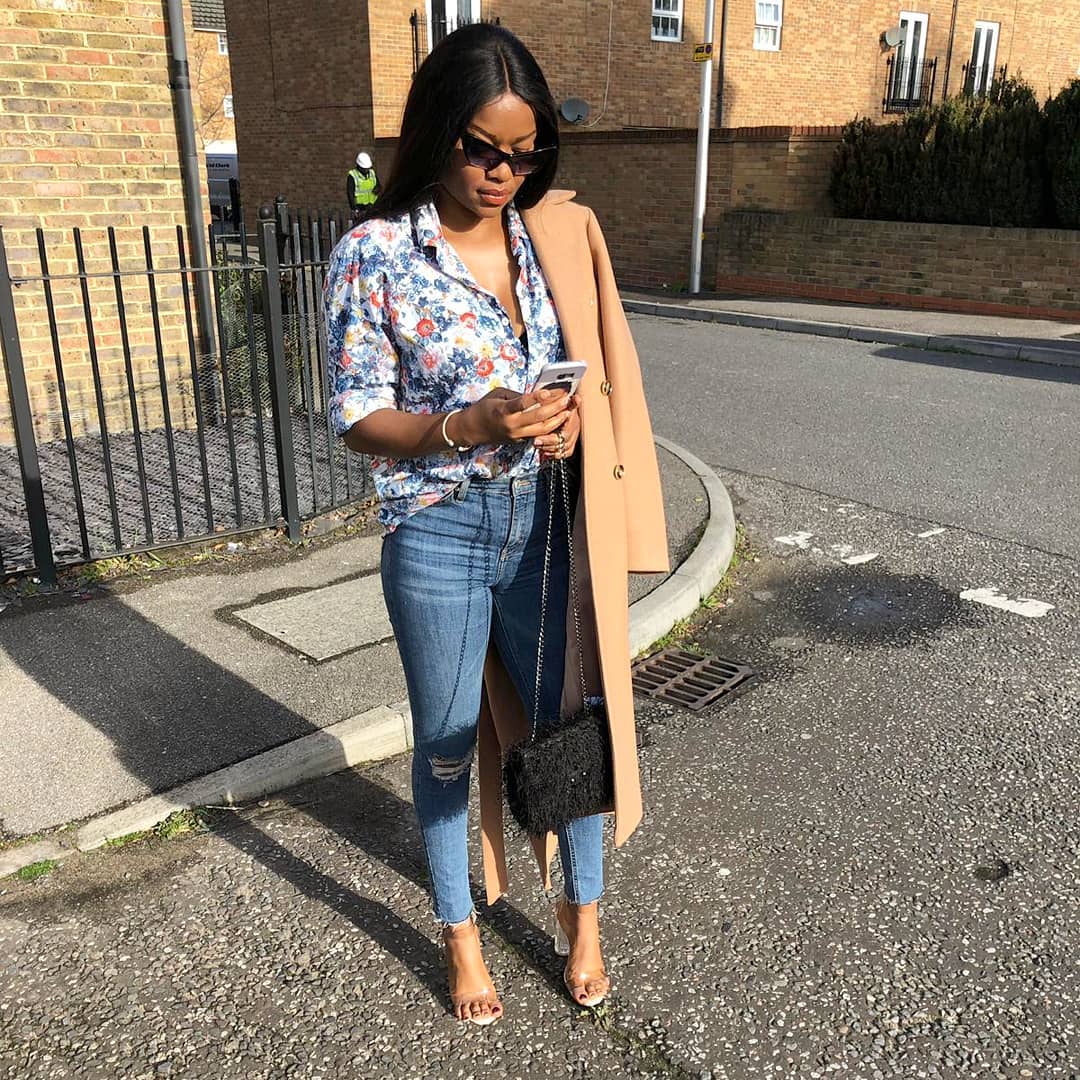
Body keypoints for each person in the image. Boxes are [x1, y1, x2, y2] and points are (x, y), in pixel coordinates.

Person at [323, 24, 668, 1026]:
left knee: (567, 727)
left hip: (545, 522)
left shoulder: (546, 238)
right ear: (438, 129)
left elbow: (587, 372)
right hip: (437, 530)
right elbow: (356, 414)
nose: (502, 173)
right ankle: (461, 933)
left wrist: (565, 422)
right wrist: (467, 425)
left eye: (524, 153)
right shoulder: (375, 254)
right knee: (444, 743)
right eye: (482, 149)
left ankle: (582, 920)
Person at [347, 151, 379, 221]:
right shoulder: (353, 176)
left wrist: (377, 189)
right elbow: (350, 194)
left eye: (368, 168)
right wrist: (355, 209)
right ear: (359, 166)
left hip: (373, 208)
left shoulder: (372, 173)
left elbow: (378, 186)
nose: (367, 170)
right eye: (364, 168)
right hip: (361, 210)